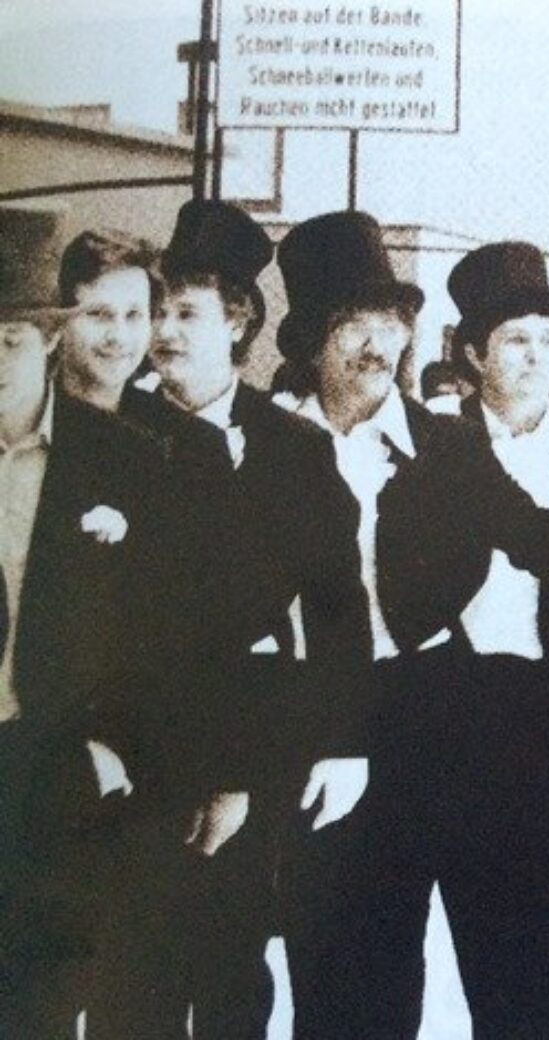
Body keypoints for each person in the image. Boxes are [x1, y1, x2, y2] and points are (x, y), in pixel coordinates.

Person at [270, 211, 549, 1040]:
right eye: (353, 324)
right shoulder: (268, 443)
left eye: (391, 323)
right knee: (346, 977)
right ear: (313, 338)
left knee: (505, 959)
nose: (377, 345)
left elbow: (530, 528)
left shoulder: (445, 446)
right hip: (317, 715)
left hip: (440, 714)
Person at [103, 200, 368, 1039]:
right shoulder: (109, 434)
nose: (163, 332)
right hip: (129, 759)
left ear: (239, 320)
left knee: (232, 978)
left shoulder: (292, 447)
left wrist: (341, 743)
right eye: (156, 312)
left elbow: (337, 604)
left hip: (254, 755)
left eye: (186, 312)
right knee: (131, 987)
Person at [0, 207, 175, 1036]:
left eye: (8, 341)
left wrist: (113, 750)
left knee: (38, 1005)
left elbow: (159, 630)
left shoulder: (124, 459)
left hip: (53, 773)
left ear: (45, 338)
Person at [435, 239, 549, 1037]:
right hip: (467, 715)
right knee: (496, 956)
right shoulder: (437, 451)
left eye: (548, 338)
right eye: (515, 339)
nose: (537, 356)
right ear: (474, 354)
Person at [53, 227, 157, 412]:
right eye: (99, 314)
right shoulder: (23, 420)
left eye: (133, 315)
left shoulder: (183, 428)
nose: (118, 336)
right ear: (60, 321)